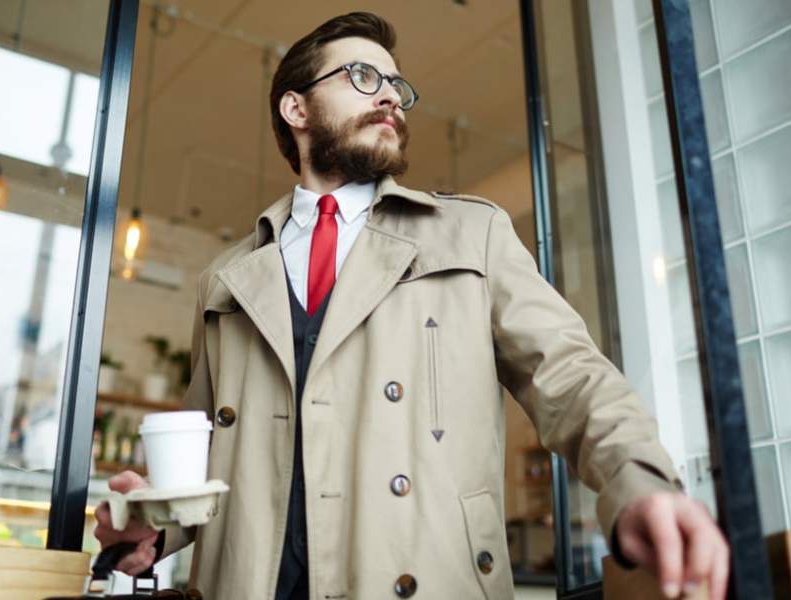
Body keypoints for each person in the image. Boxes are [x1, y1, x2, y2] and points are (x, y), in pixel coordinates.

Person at [95, 11, 729, 600]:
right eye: (363, 76)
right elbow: (200, 456)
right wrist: (149, 527)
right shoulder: (226, 280)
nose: (391, 95)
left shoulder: (471, 234)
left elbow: (572, 376)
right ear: (296, 107)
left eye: (397, 84)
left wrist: (639, 483)